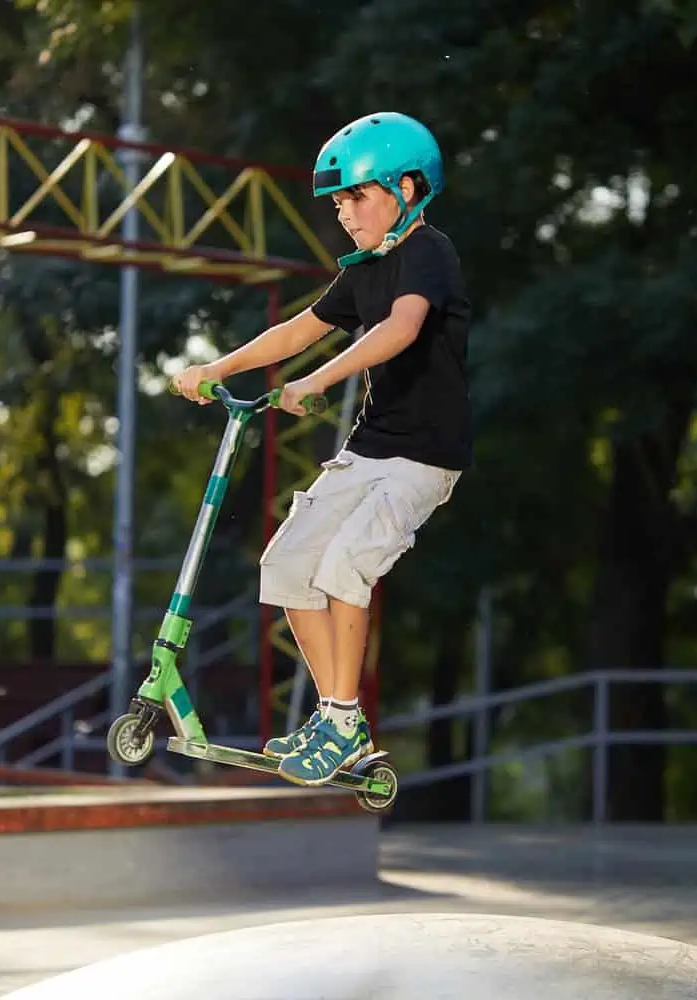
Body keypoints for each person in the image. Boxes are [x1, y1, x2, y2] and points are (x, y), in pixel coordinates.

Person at [171, 111, 472, 786]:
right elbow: (295, 331)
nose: (344, 212)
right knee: (286, 565)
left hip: (425, 457)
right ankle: (339, 717)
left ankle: (340, 716)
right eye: (338, 201)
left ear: (410, 188)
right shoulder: (362, 270)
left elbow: (402, 327)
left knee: (344, 567)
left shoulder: (428, 254)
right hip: (372, 448)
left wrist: (319, 380)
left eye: (358, 195)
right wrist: (216, 369)